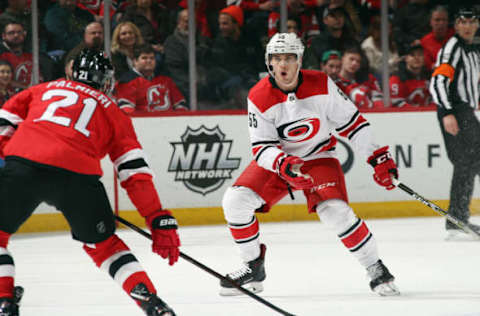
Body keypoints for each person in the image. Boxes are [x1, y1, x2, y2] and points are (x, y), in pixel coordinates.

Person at [0, 49, 180, 316]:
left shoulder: (42, 89)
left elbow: (5, 121)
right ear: (105, 80)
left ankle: (5, 301)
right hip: (78, 178)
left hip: (24, 166)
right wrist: (155, 216)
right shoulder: (115, 113)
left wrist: (9, 155)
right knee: (105, 247)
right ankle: (153, 304)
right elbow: (133, 171)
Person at [219, 33, 399, 297]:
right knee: (235, 201)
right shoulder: (258, 95)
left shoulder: (322, 84)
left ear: (299, 60)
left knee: (335, 211)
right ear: (269, 62)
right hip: (278, 161)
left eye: (289, 58)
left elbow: (353, 124)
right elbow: (261, 147)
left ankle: (375, 267)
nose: (283, 64)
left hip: (318, 157)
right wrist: (282, 162)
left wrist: (378, 157)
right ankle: (252, 267)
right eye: (277, 58)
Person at [429, 7, 480, 239]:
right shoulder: (453, 47)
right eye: (462, 22)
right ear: (456, 25)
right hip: (455, 110)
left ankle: (458, 219)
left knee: (471, 162)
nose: (467, 26)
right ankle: (456, 221)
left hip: (466, 110)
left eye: (472, 21)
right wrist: (447, 112)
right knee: (465, 162)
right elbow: (438, 81)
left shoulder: (474, 47)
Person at [115, 44, 188, 113]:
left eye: (152, 58)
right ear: (135, 61)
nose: (149, 61)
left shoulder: (165, 79)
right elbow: (126, 110)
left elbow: (180, 104)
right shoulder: (126, 82)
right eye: (144, 58)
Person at [420, 5, 454, 71]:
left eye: (444, 20)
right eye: (437, 20)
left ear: (448, 22)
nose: (441, 23)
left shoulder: (456, 37)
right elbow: (429, 65)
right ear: (430, 22)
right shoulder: (425, 41)